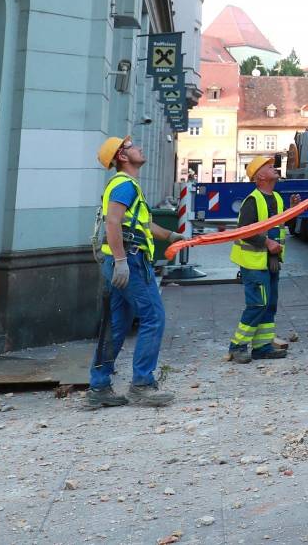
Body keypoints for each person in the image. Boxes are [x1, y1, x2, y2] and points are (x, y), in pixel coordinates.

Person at [88, 135, 183, 409]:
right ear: (122, 156)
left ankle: (100, 386)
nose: (139, 147)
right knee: (153, 316)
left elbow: (143, 223)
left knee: (117, 325)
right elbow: (113, 223)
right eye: (131, 146)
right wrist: (120, 260)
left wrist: (170, 236)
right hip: (129, 261)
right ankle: (142, 384)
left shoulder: (128, 185)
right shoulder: (124, 186)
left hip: (124, 261)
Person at [228, 157, 288, 364]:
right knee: (257, 304)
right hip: (253, 263)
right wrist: (267, 243)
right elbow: (245, 231)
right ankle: (237, 346)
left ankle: (262, 347)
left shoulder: (277, 198)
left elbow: (278, 225)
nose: (274, 167)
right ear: (260, 176)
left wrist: (294, 209)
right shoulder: (252, 201)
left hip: (270, 262)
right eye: (268, 166)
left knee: (269, 304)